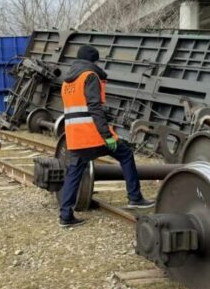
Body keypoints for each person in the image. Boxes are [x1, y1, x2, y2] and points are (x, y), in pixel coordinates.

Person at [58, 45, 154, 227]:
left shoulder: (67, 82)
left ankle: (65, 216)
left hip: (75, 137)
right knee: (126, 155)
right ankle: (135, 197)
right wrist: (106, 135)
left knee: (73, 173)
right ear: (93, 61)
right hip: (93, 135)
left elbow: (75, 110)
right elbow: (94, 108)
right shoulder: (90, 76)